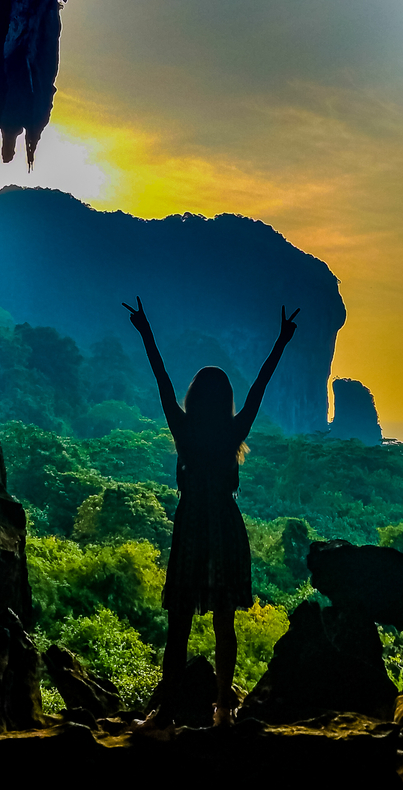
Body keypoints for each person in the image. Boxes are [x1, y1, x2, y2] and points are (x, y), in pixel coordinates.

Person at [122, 297, 299, 729]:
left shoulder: (183, 430)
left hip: (191, 526)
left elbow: (162, 383)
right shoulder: (234, 430)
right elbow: (259, 389)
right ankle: (223, 707)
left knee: (178, 623)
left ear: (195, 398)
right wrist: (281, 342)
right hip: (224, 525)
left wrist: (146, 333)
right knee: (225, 622)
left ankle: (165, 712)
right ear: (225, 401)